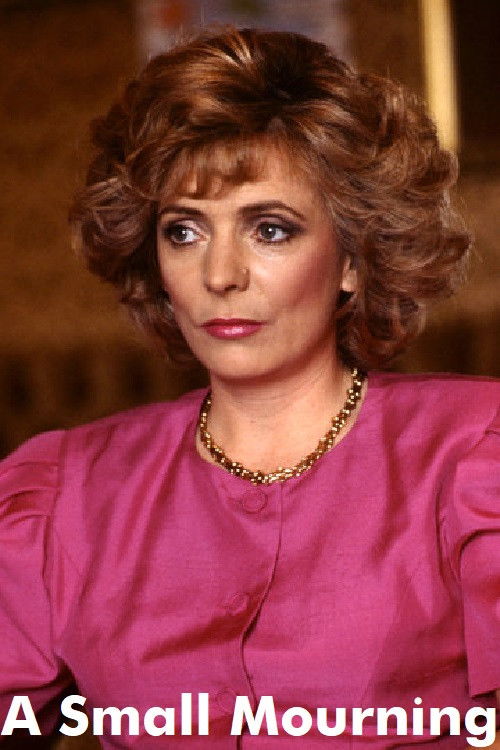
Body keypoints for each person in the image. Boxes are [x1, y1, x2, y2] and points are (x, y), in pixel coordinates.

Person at [0, 25, 499, 749]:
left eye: (269, 229)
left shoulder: (472, 458)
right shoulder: (64, 495)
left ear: (353, 260)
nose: (219, 275)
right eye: (184, 231)